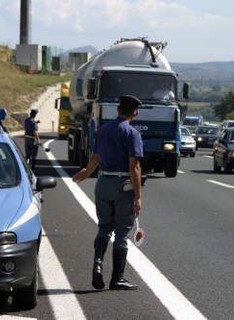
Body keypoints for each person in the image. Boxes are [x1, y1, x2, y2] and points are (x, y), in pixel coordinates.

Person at [72, 95, 143, 290]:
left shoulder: (103, 131)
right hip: (122, 185)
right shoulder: (132, 133)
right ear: (135, 112)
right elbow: (134, 167)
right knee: (121, 233)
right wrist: (138, 196)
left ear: (118, 110)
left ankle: (97, 266)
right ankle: (117, 278)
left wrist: (86, 172)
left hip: (103, 182)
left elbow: (95, 157)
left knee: (104, 227)